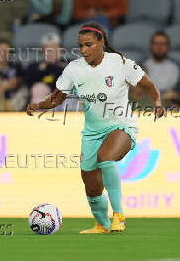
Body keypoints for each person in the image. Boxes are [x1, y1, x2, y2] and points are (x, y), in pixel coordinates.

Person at [26, 22, 164, 234]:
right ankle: (102, 224)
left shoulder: (120, 63)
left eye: (88, 44)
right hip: (91, 132)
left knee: (106, 157)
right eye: (80, 46)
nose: (83, 50)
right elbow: (56, 98)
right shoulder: (74, 69)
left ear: (101, 42)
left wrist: (157, 103)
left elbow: (149, 86)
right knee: (91, 186)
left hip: (122, 126)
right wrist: (38, 105)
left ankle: (119, 216)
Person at [141, 31, 180, 107]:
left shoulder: (176, 66)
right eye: (156, 44)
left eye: (163, 44)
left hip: (169, 106)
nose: (159, 47)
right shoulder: (141, 64)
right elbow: (137, 91)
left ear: (168, 46)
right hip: (146, 105)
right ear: (151, 45)